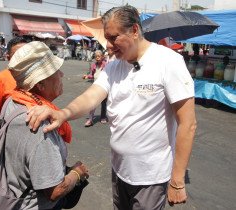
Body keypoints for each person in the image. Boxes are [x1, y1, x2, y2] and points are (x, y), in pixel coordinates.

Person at [26, 5, 196, 210]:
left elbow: (188, 123)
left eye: (114, 38)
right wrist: (63, 114)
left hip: (150, 176)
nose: (108, 45)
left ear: (134, 30)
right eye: (107, 38)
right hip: (119, 170)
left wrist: (177, 180)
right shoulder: (115, 65)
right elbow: (91, 96)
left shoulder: (168, 62)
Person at [5, 41, 89, 209]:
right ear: (40, 84)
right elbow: (54, 191)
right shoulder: (40, 125)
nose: (62, 74)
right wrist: (77, 173)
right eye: (56, 71)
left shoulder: (13, 101)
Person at [0, 36, 27, 130]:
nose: (24, 58)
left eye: (27, 54)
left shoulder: (39, 77)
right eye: (18, 55)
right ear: (8, 57)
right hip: (10, 135)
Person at [83, 50, 107, 127]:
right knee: (93, 103)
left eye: (99, 56)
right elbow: (92, 75)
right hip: (95, 87)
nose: (97, 58)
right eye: (96, 56)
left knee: (104, 103)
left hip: (104, 87)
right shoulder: (94, 65)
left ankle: (103, 117)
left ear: (102, 57)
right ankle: (90, 119)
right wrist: (87, 76)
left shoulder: (106, 65)